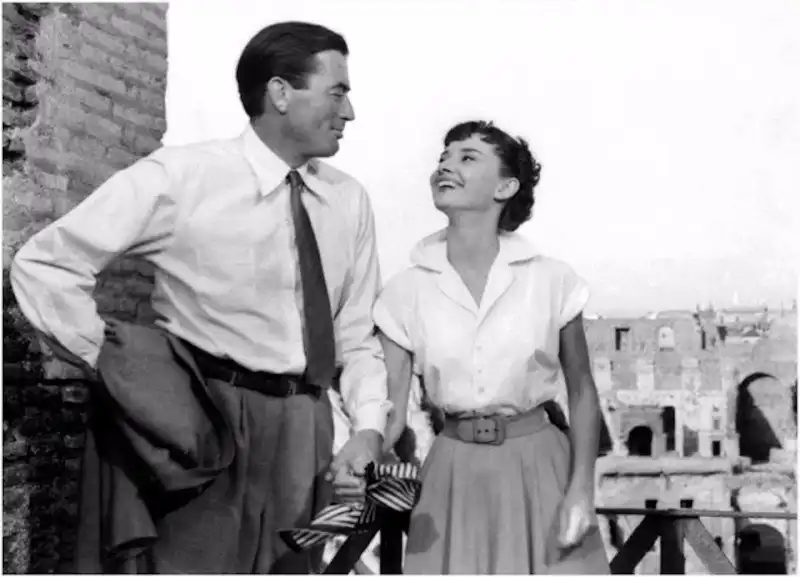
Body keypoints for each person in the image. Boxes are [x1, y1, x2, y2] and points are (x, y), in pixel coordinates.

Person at [10, 21, 390, 574]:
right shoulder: (182, 176)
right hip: (204, 428)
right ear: (280, 93)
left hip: (305, 431)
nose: (349, 111)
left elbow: (355, 337)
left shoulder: (348, 201)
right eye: (337, 92)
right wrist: (121, 368)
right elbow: (46, 265)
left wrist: (369, 429)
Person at [373, 120, 611, 574]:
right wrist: (369, 459)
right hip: (452, 478)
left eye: (467, 157)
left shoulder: (551, 280)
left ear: (506, 187)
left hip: (541, 469)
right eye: (443, 157)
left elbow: (582, 392)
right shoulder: (404, 292)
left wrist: (582, 489)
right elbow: (392, 411)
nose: (446, 166)